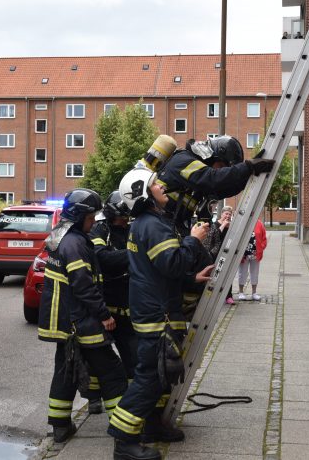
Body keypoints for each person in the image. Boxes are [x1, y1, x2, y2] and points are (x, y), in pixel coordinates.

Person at [108, 168, 213, 460]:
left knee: (160, 375)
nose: (163, 186)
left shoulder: (147, 223)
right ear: (144, 193)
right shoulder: (153, 226)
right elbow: (172, 263)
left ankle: (152, 426)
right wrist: (194, 240)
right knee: (149, 378)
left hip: (154, 309)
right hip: (158, 314)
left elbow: (159, 270)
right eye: (156, 184)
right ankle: (124, 441)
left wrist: (192, 280)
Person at [38, 188, 127, 443]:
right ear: (79, 217)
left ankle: (60, 425)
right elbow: (83, 286)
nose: (93, 222)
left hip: (65, 322)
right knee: (112, 372)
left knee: (66, 371)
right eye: (90, 217)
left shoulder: (61, 236)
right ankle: (124, 429)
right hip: (80, 321)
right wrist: (103, 315)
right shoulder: (75, 243)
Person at [155, 135, 274, 235]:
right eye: (223, 167)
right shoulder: (183, 160)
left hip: (172, 224)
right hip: (159, 223)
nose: (223, 171)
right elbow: (213, 179)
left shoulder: (197, 177)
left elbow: (220, 190)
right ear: (215, 157)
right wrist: (247, 167)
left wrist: (247, 178)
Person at [85, 190, 136, 414]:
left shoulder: (131, 229)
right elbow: (102, 258)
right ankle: (93, 397)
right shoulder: (100, 229)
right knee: (99, 356)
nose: (124, 222)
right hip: (105, 304)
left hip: (127, 303)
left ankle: (133, 400)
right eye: (120, 218)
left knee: (132, 356)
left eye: (126, 218)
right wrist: (134, 255)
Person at [202, 205, 235, 304]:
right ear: (221, 214)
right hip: (215, 254)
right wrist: (223, 225)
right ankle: (210, 295)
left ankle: (228, 296)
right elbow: (214, 238)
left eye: (230, 214)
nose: (228, 216)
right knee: (214, 274)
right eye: (226, 213)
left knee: (227, 274)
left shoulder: (231, 226)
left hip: (227, 253)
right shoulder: (215, 224)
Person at [237, 218, 267, 301]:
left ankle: (254, 293)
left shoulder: (259, 224)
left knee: (255, 273)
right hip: (244, 254)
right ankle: (241, 292)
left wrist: (261, 247)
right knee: (242, 273)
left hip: (255, 253)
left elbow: (264, 238)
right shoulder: (242, 222)